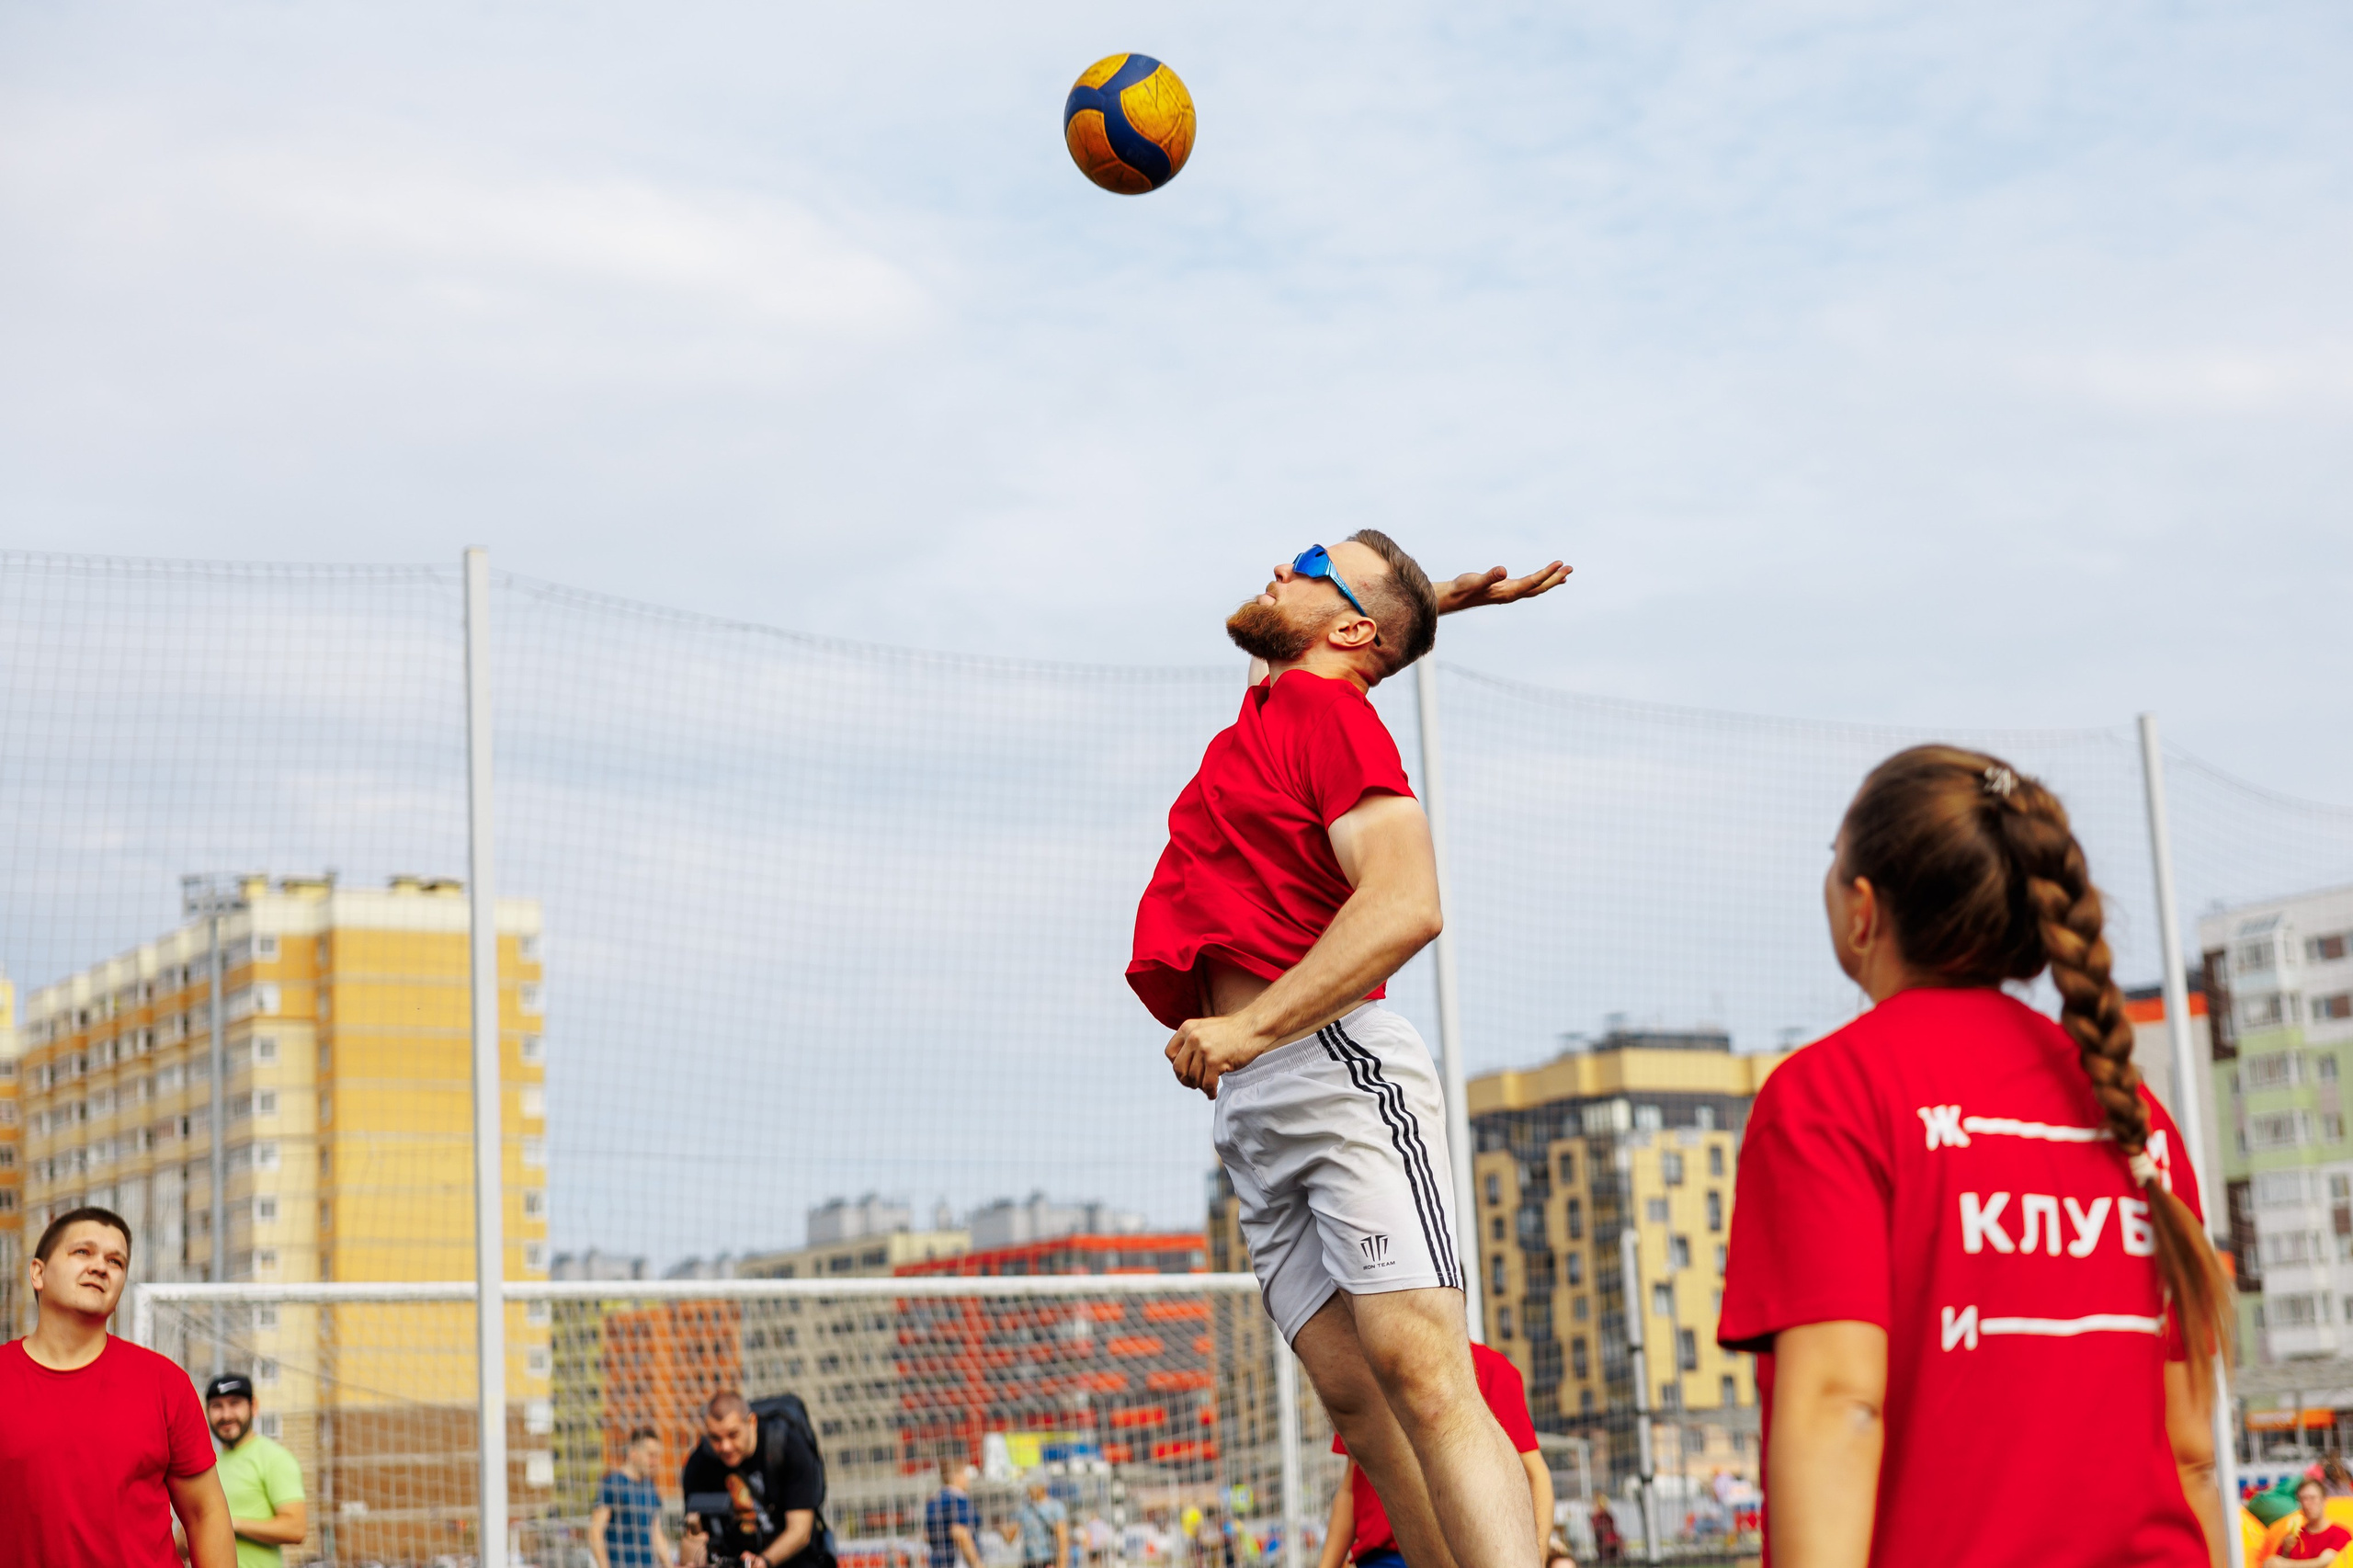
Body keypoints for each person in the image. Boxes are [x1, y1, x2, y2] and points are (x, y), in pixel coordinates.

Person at [1130, 535, 1567, 1568]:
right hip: (1256, 1100)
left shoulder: (1332, 714)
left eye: (1311, 557)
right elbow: (1304, 643)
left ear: (1350, 629)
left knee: (1423, 1369)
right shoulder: (1276, 707)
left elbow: (1408, 902)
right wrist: (1426, 610)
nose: (1280, 560)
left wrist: (1246, 1025)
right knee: (1361, 1412)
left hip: (1332, 1064)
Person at [1718, 746, 2234, 1568]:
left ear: (1863, 909)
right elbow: (2193, 1457)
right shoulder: (2140, 1124)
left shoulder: (1832, 1095)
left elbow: (1839, 1405)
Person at [0, 1206, 237, 1568]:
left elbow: (205, 1514)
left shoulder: (165, 1382)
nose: (100, 1266)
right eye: (83, 1252)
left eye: (116, 1261)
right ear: (38, 1273)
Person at [1316, 1342, 1552, 1568]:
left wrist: (1536, 1559)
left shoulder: (1490, 1367)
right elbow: (1351, 1487)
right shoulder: (1365, 1373)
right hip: (1380, 1559)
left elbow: (1535, 1474)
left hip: (1462, 1554)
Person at [680, 1392, 832, 1568]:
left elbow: (800, 1531)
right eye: (715, 1438)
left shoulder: (787, 1446)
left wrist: (763, 1562)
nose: (725, 1446)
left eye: (733, 1434)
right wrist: (694, 1553)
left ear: (752, 1422)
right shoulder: (699, 1465)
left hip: (797, 1562)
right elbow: (694, 1539)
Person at [204, 1371, 308, 1568]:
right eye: (217, 1406)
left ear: (254, 1407)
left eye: (234, 1403)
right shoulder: (209, 1465)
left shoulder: (274, 1457)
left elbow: (296, 1528)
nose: (226, 1415)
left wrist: (232, 1524)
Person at [593, 1426, 675, 1568]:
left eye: (657, 1456)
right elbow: (595, 1531)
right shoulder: (614, 1482)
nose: (655, 1462)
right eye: (651, 1455)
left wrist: (669, 1565)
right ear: (633, 1453)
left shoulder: (650, 1488)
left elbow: (656, 1533)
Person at [2266, 1480, 2351, 1566]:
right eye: (2302, 1499)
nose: (2306, 1504)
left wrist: (2287, 1565)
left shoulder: (2341, 1534)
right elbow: (2276, 1563)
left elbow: (2324, 1562)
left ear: (2324, 1501)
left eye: (2312, 1498)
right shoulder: (2293, 1536)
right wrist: (2286, 1551)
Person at [925, 1462, 984, 1568]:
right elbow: (960, 1533)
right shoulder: (958, 1499)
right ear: (955, 1476)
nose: (968, 1479)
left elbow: (926, 1535)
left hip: (938, 1562)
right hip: (958, 1562)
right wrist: (977, 1564)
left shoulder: (933, 1501)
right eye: (965, 1474)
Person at [1016, 1480, 1070, 1568]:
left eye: (1032, 1485)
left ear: (1043, 1486)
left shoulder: (1056, 1507)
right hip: (1029, 1561)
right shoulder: (1024, 1509)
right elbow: (1010, 1537)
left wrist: (1061, 1565)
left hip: (1048, 1560)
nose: (1029, 1489)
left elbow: (1062, 1540)